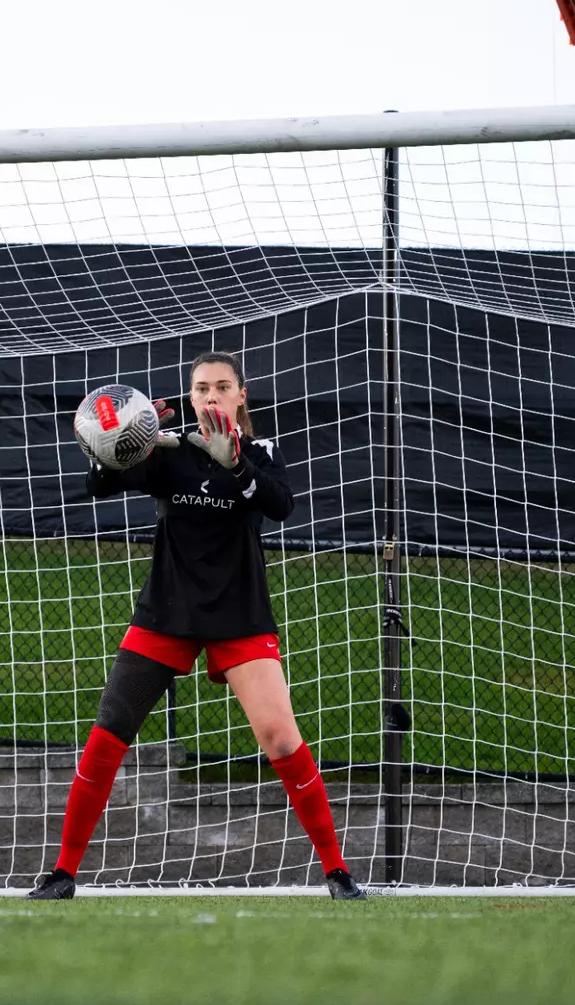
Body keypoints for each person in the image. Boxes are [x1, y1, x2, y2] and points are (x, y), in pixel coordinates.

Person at [29, 351, 365, 900]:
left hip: (239, 612)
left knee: (281, 739)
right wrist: (125, 440)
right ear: (190, 398)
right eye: (201, 388)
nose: (211, 396)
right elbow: (100, 483)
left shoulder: (260, 452)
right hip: (169, 609)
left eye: (222, 386)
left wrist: (234, 465)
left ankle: (337, 871)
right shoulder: (168, 449)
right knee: (111, 726)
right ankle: (63, 873)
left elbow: (280, 505)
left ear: (241, 395)